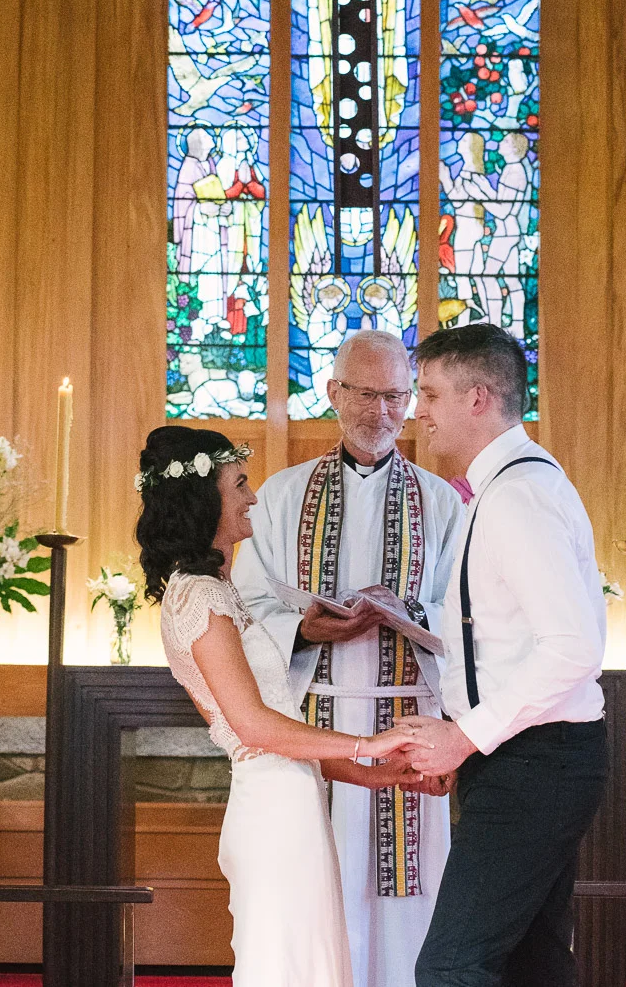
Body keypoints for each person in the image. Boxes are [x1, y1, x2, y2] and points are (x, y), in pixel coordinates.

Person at [136, 423, 418, 987]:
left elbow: (275, 735)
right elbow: (253, 727)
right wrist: (368, 742)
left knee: (310, 965)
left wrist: (377, 776)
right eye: (238, 484)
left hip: (289, 799)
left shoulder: (215, 590)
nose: (252, 497)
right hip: (273, 814)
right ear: (204, 500)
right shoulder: (201, 597)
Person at [233, 331, 464, 987]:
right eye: (366, 394)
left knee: (405, 905)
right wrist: (303, 629)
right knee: (319, 896)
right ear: (333, 392)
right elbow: (246, 606)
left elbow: (463, 613)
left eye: (396, 396)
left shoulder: (440, 502)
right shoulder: (280, 497)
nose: (382, 412)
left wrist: (410, 617)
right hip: (315, 727)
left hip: (409, 731)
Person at [399, 323, 608, 987]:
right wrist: (462, 738)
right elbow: (496, 640)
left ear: (478, 398)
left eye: (429, 394)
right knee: (532, 963)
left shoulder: (517, 494)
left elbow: (573, 647)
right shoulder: (503, 487)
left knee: (450, 965)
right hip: (525, 755)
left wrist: (463, 736)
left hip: (538, 759)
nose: (418, 412)